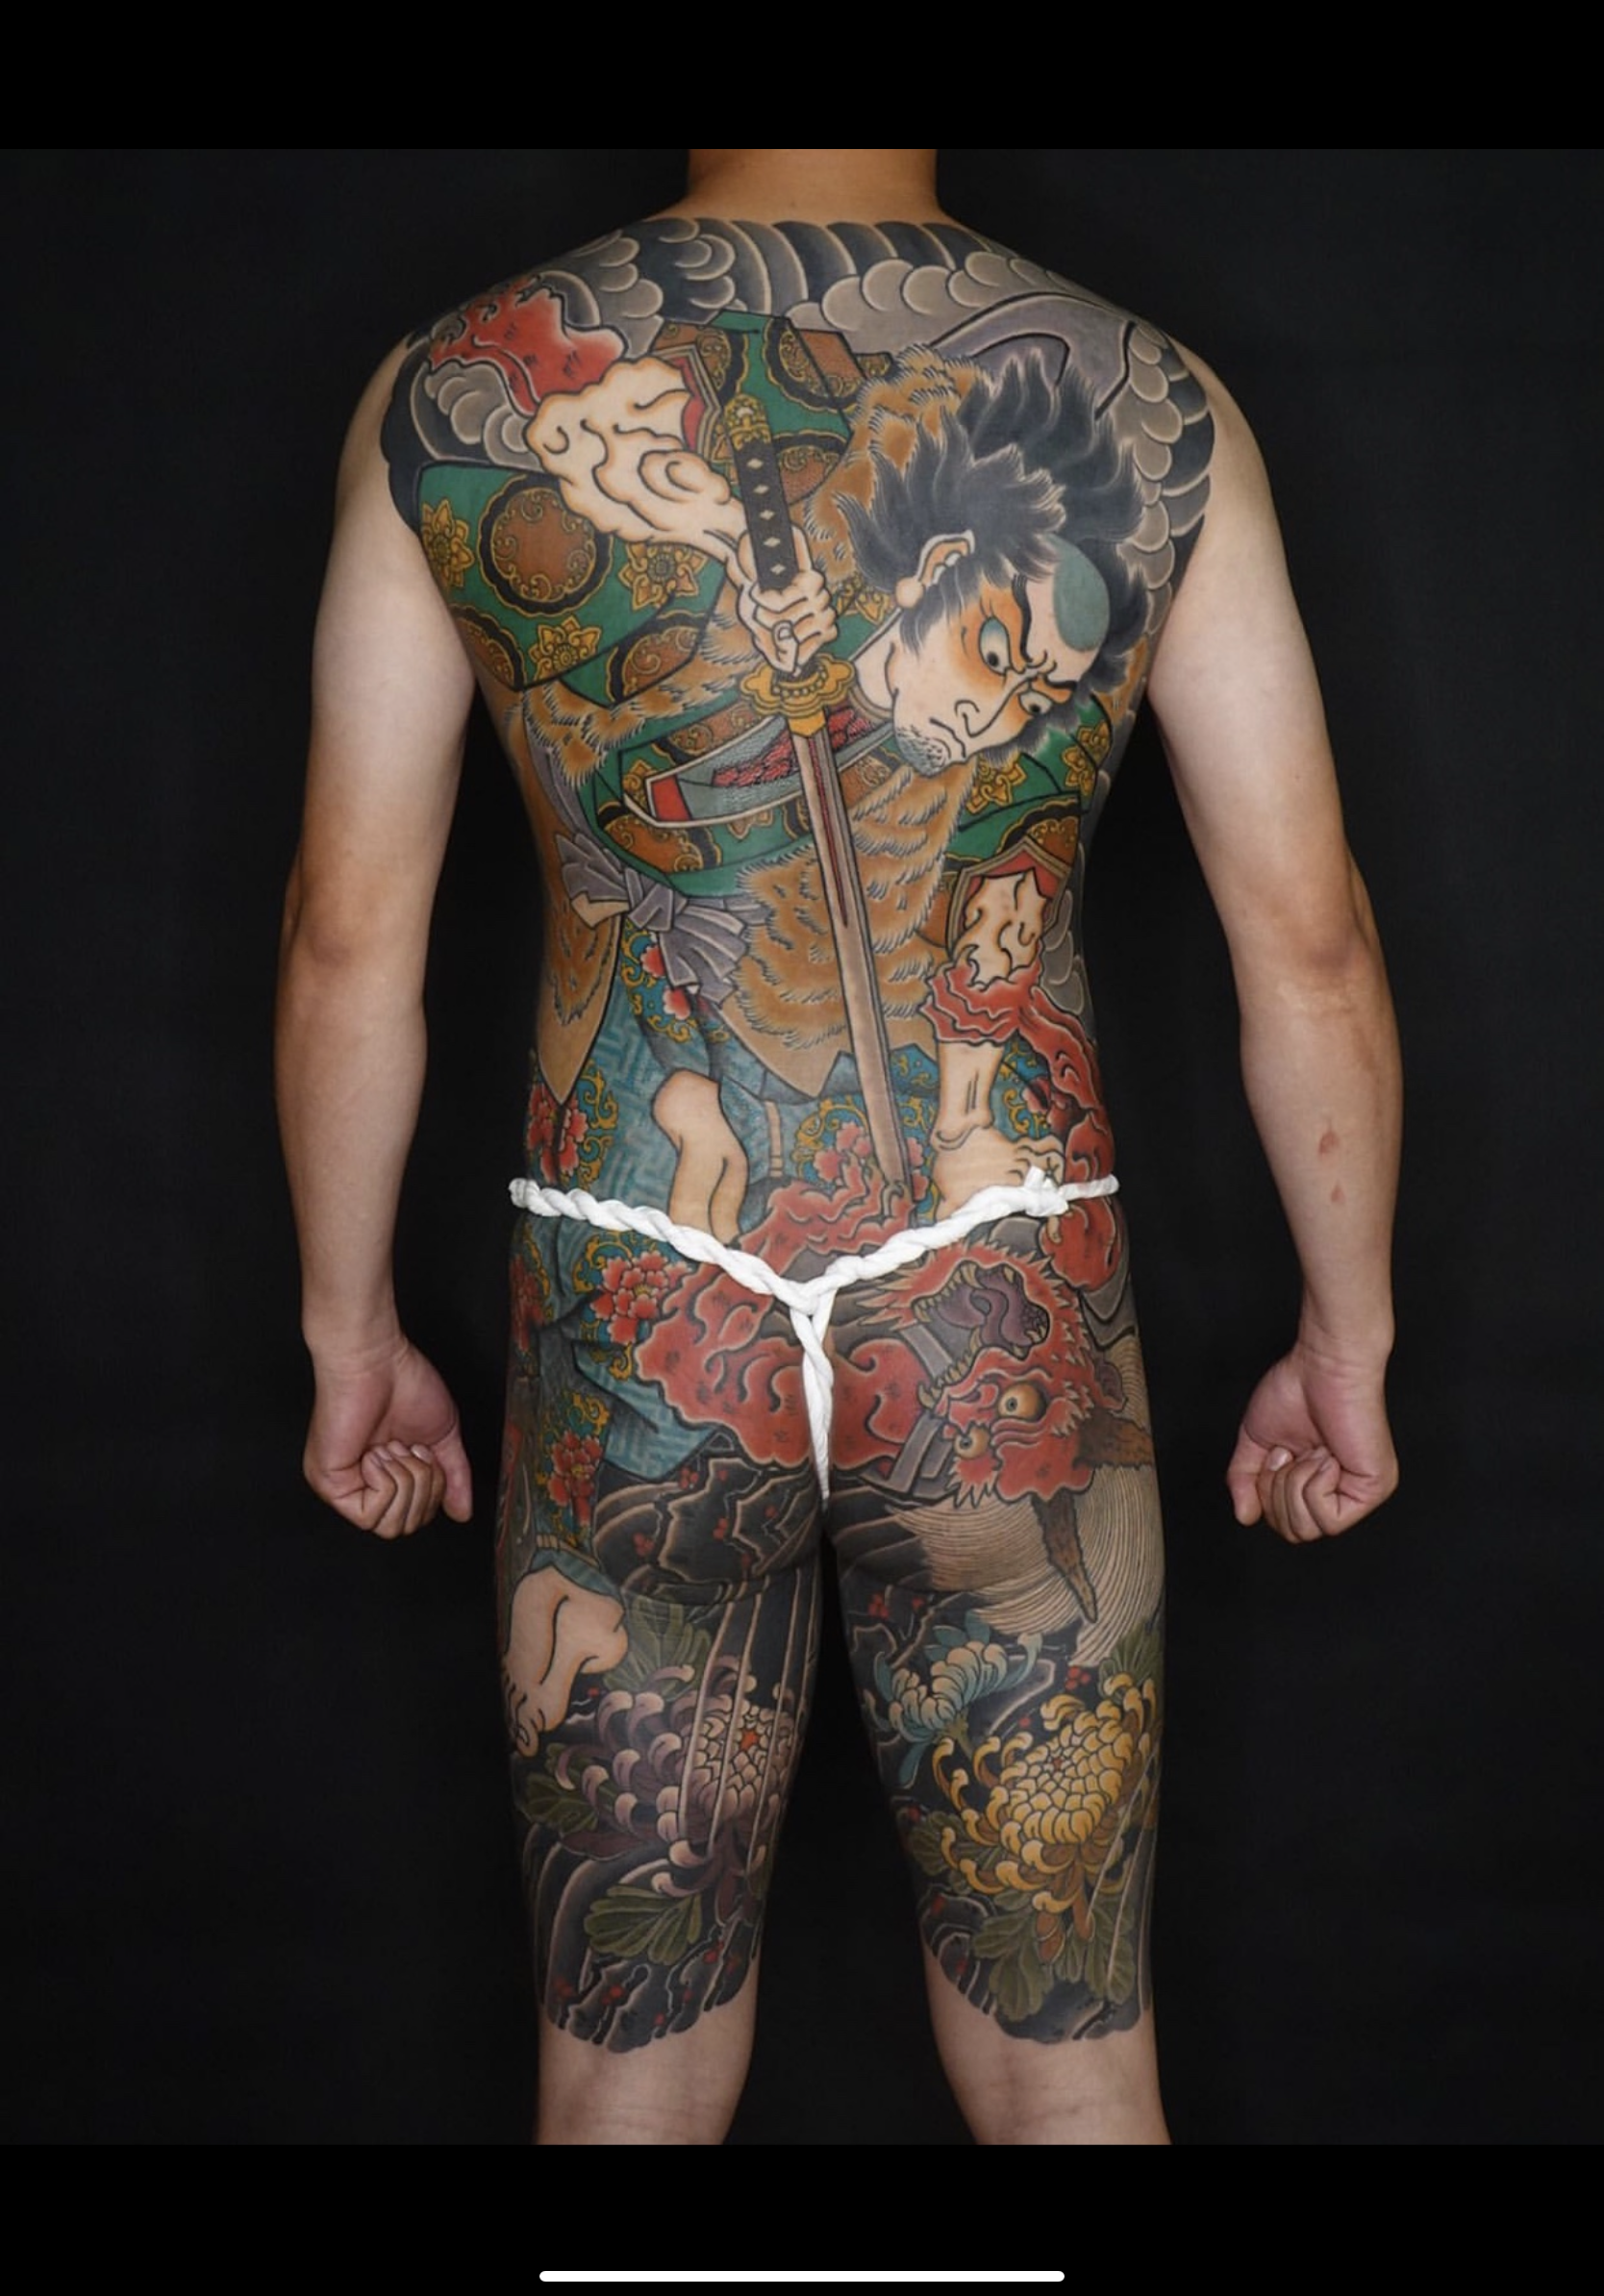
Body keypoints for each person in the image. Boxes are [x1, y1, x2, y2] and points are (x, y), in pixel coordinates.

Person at [277, 149, 1401, 2146]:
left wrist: (346, 1333)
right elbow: (1308, 941)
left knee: (619, 2092)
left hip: (645, 1319)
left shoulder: (443, 397)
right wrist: (1351, 1333)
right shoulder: (1154, 400)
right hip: (995, 1307)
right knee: (1074, 2085)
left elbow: (349, 938)